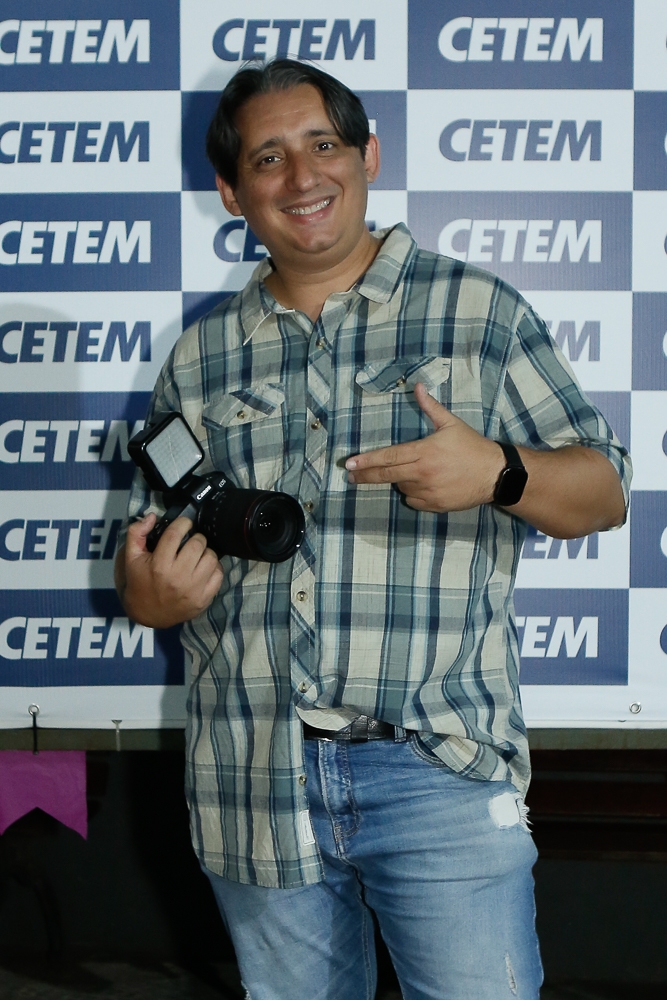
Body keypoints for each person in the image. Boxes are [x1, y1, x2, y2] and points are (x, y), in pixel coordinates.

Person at [115, 59, 631, 1000]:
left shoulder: (477, 312)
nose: (301, 176)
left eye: (323, 144)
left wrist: (499, 472)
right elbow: (148, 552)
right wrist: (150, 595)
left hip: (435, 765)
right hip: (251, 774)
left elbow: (603, 491)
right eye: (266, 157)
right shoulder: (200, 355)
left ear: (368, 157)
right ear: (230, 191)